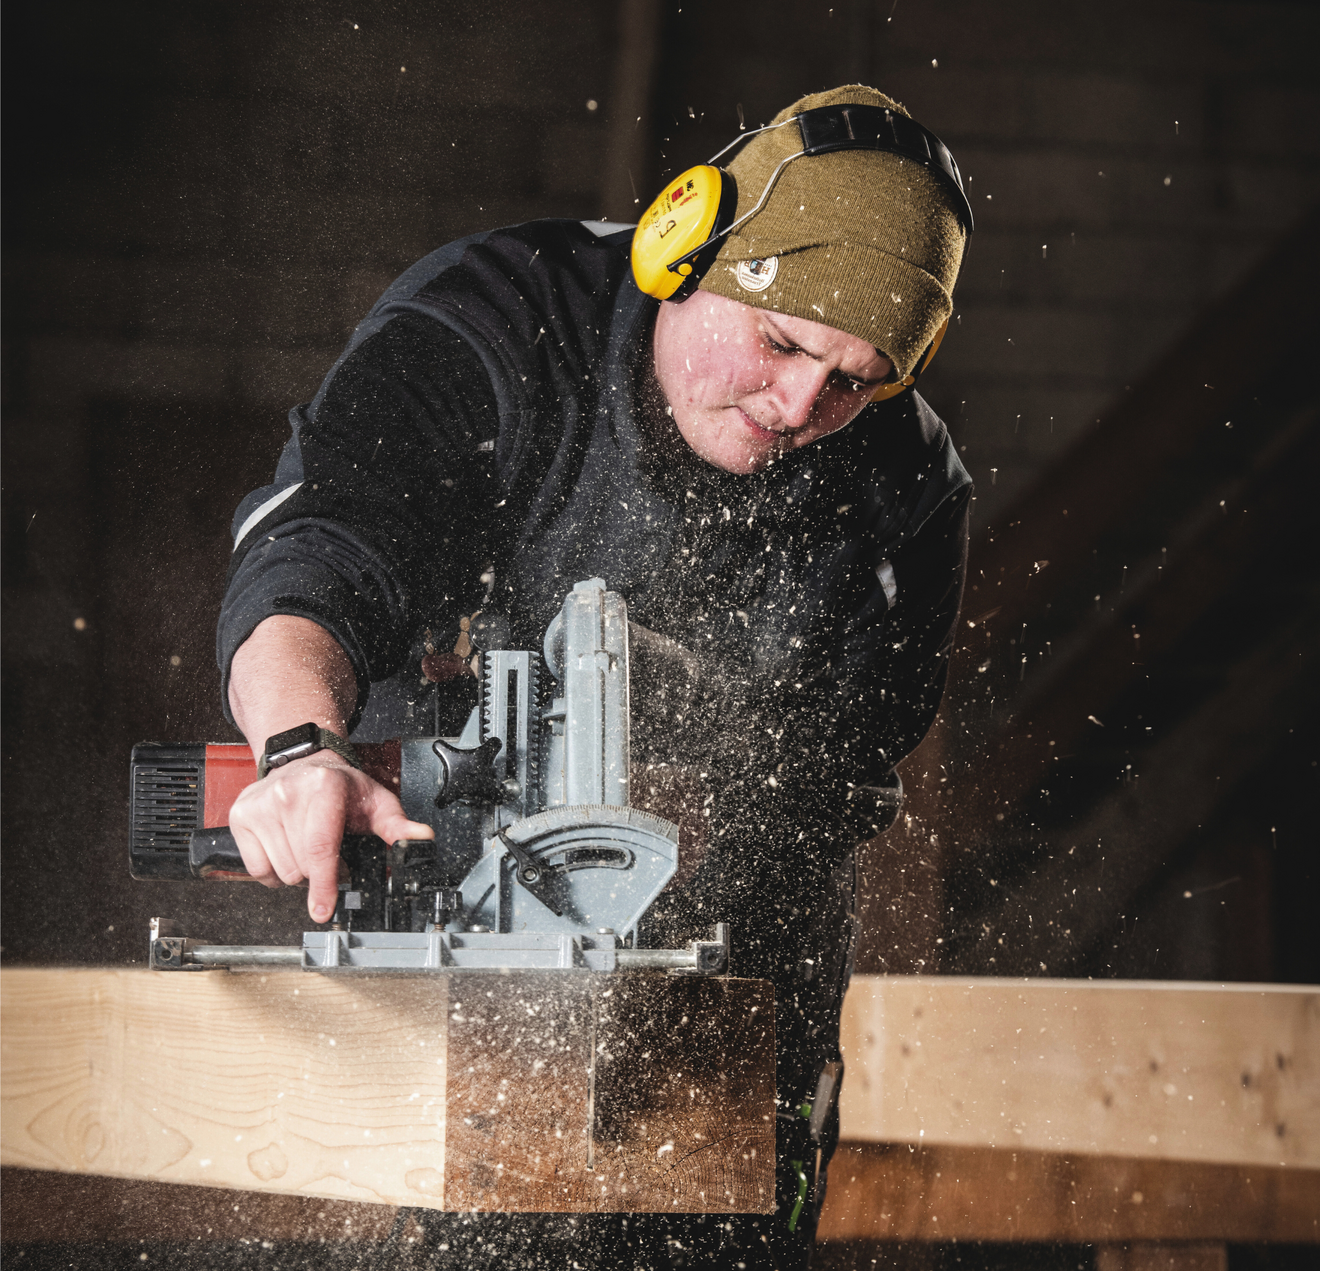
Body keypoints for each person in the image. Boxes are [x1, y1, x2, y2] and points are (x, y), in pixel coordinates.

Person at [217, 84, 971, 1270]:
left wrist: (714, 804)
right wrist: (301, 747)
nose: (798, 404)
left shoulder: (904, 486)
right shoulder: (492, 324)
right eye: (781, 342)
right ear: (687, 244)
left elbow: (845, 766)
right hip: (445, 937)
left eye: (854, 380)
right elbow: (316, 558)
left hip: (738, 991)